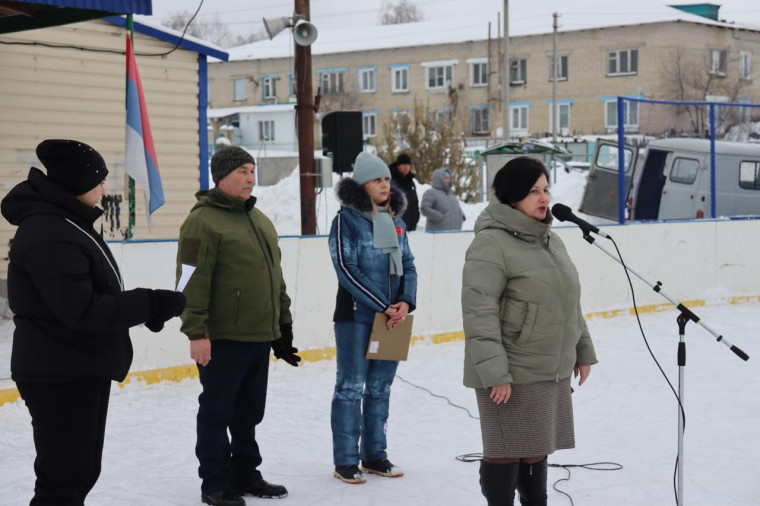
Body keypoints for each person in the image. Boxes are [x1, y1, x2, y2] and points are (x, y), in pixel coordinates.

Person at [1, 139, 186, 506]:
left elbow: (88, 299)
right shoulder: (49, 232)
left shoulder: (65, 224)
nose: (104, 188)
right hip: (60, 373)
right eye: (97, 180)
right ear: (75, 182)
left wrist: (143, 311)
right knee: (63, 481)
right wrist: (150, 303)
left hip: (75, 366)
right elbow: (83, 311)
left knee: (78, 473)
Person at [461, 156, 598, 506]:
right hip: (510, 371)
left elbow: (568, 301)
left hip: (549, 368)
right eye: (533, 191)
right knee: (506, 451)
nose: (544, 198)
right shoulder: (490, 243)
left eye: (546, 189)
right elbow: (479, 314)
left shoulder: (550, 240)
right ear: (512, 197)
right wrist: (495, 373)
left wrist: (582, 351)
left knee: (537, 450)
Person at [176, 145, 301, 506]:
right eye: (241, 172)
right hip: (223, 337)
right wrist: (196, 332)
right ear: (221, 177)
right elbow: (188, 280)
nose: (249, 178)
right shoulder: (202, 221)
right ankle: (215, 483)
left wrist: (283, 327)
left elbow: (274, 278)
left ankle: (245, 473)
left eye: (251, 170)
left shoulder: (258, 218)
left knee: (248, 413)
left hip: (258, 334)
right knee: (218, 412)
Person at [328, 152, 417, 485]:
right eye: (378, 179)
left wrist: (405, 303)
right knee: (350, 388)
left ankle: (375, 456)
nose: (385, 184)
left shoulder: (396, 223)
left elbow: (408, 266)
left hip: (393, 318)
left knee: (380, 389)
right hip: (356, 318)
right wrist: (384, 305)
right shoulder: (345, 221)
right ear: (362, 184)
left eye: (387, 179)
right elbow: (346, 270)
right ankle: (346, 460)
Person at [420, 167, 465, 231]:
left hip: (454, 233)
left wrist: (461, 216)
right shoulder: (431, 192)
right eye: (446, 178)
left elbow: (456, 209)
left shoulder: (451, 195)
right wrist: (439, 216)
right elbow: (424, 208)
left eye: (449, 178)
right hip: (437, 235)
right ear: (439, 179)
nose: (448, 180)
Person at [388, 153, 420, 231]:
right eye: (403, 164)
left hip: (411, 227)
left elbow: (415, 202)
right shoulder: (391, 180)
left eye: (408, 164)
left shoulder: (411, 182)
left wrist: (416, 217)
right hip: (397, 227)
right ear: (398, 165)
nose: (406, 167)